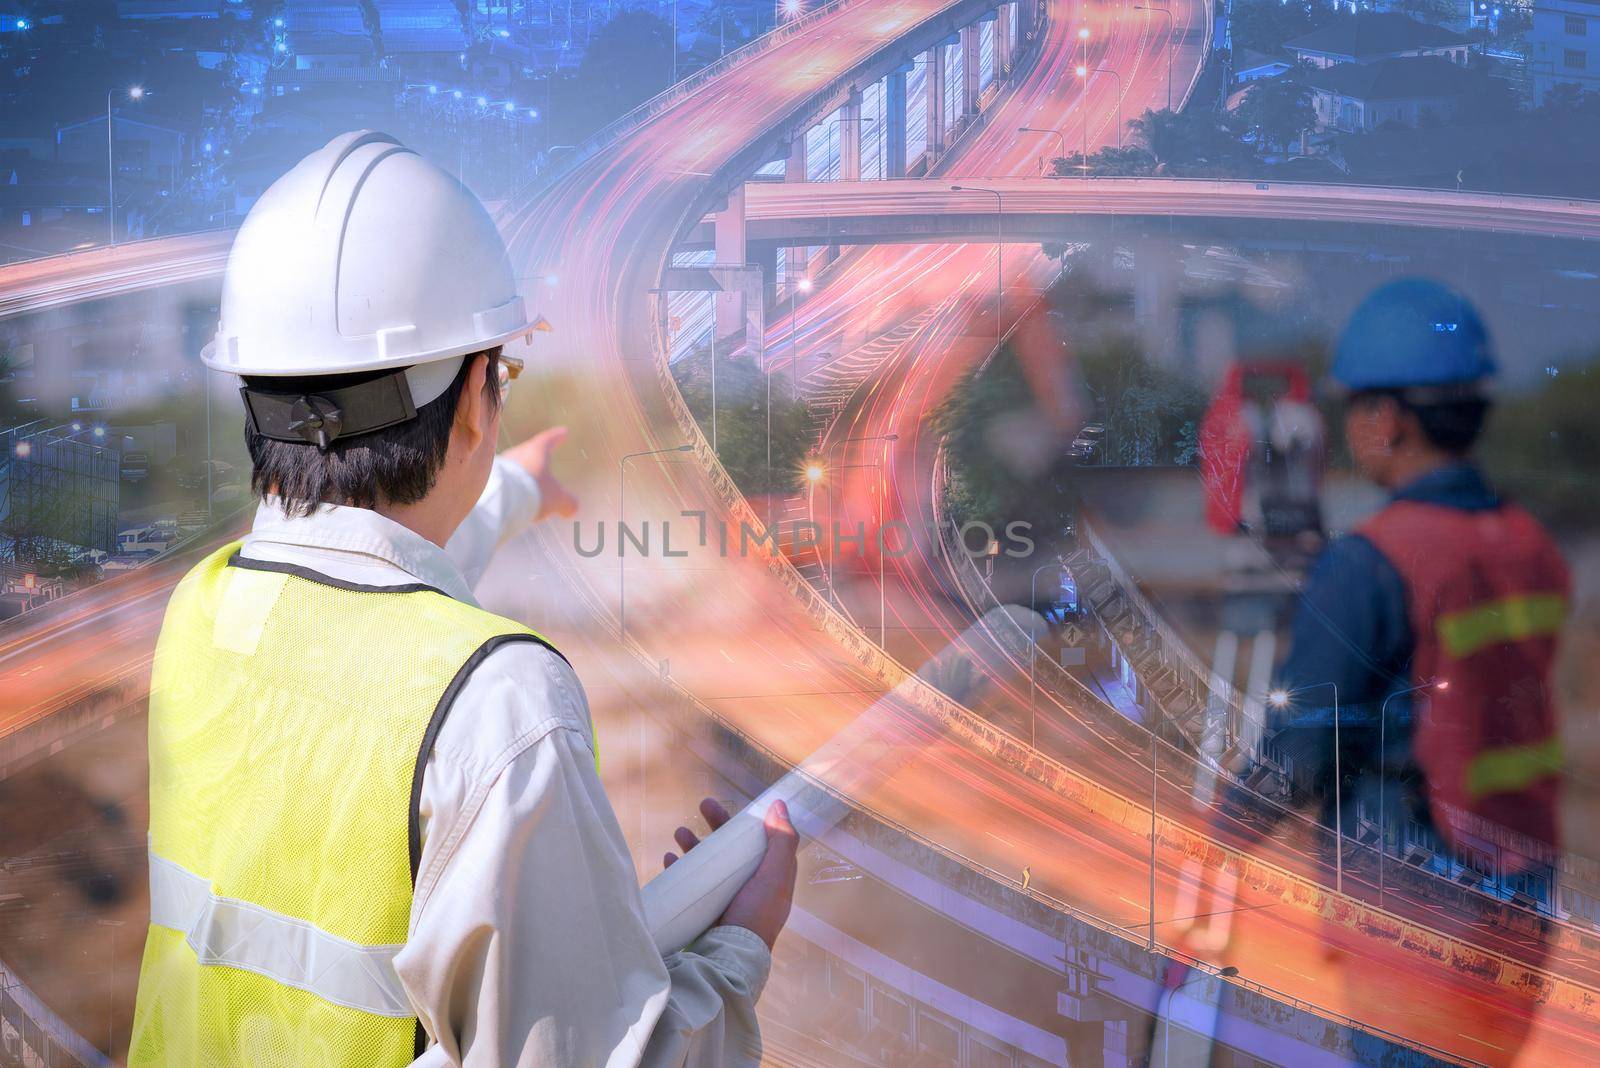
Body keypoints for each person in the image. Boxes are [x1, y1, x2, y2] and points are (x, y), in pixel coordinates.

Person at [128, 131, 798, 1067]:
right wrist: (739, 946)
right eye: (503, 372)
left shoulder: (202, 615)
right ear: (480, 391)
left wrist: (516, 491)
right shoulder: (504, 709)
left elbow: (367, 585)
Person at [1269, 278, 1568, 876]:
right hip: (1523, 877)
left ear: (1389, 418)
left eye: (1354, 405)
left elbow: (1299, 755)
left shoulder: (1371, 561)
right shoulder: (1527, 540)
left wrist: (1202, 840)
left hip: (1411, 902)